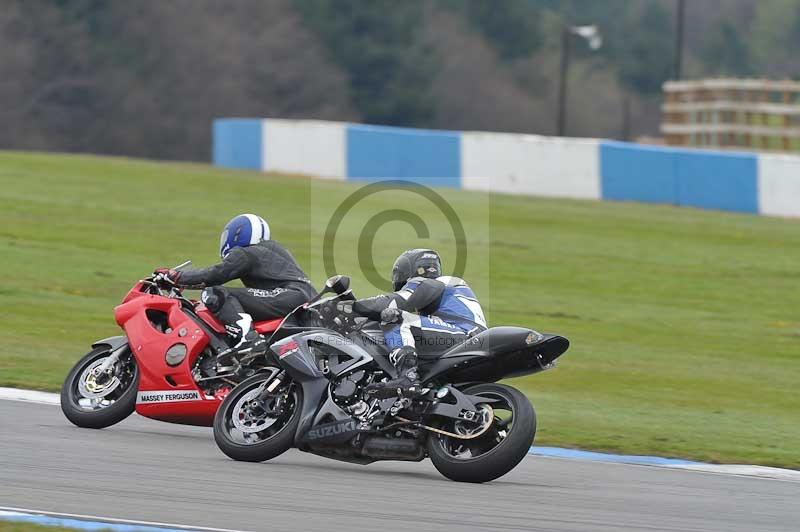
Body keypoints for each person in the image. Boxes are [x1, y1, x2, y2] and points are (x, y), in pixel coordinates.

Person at [157, 214, 316, 360]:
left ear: (238, 234)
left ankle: (249, 339)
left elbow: (215, 275)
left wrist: (177, 277)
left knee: (215, 292)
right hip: (304, 299)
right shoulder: (272, 250)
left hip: (290, 296)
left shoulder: (247, 252)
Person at [339, 248, 487, 398]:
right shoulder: (444, 294)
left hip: (465, 335)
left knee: (393, 316)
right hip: (467, 337)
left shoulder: (432, 282)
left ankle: (407, 377)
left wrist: (352, 307)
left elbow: (396, 301)